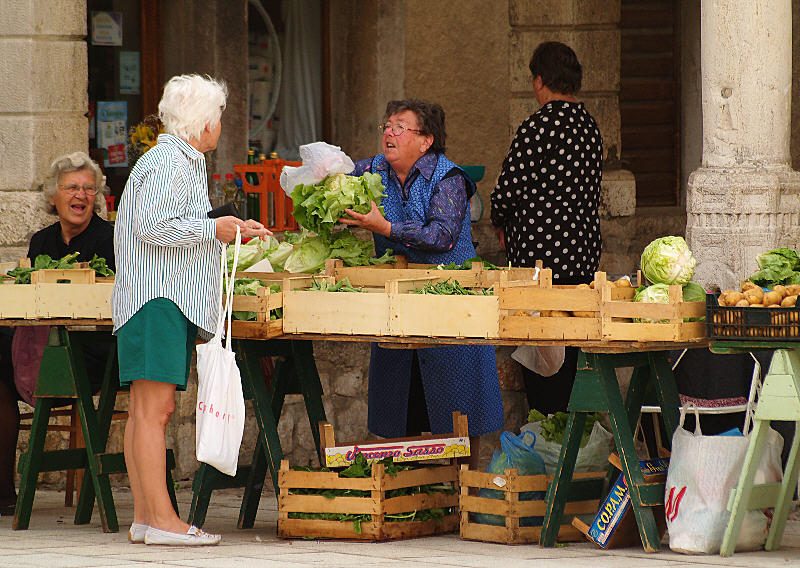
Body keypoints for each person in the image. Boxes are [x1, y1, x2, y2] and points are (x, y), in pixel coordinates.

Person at [112, 74, 269, 546]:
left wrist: (219, 225)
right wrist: (212, 229)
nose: (219, 126)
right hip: (157, 298)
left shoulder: (169, 159)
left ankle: (145, 517)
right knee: (154, 411)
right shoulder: (171, 162)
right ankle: (162, 520)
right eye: (218, 118)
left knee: (144, 410)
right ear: (203, 124)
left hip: (152, 298)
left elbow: (170, 224)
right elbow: (155, 228)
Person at [339, 99, 503, 468]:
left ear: (426, 140)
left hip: (451, 301)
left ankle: (464, 491)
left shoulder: (450, 179)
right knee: (401, 396)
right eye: (387, 125)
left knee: (461, 401)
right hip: (398, 302)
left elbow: (441, 235)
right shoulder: (372, 170)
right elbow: (335, 183)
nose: (389, 132)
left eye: (400, 127)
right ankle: (406, 490)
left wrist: (386, 228)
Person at [490, 41, 603, 415]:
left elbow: (507, 190)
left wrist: (499, 219)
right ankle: (573, 430)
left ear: (540, 81)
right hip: (581, 255)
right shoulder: (589, 127)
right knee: (571, 347)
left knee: (544, 349)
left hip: (543, 263)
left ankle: (548, 431)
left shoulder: (539, 126)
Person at [0, 152, 115, 516]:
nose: (80, 196)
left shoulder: (110, 239)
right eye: (71, 188)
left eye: (88, 189)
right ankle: (4, 492)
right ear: (54, 197)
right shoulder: (41, 242)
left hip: (93, 350)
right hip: (43, 348)